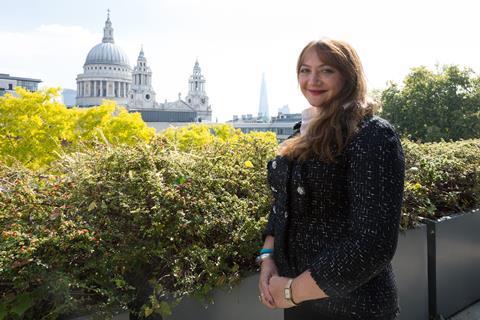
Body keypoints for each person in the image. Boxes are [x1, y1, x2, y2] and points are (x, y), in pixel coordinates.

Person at [257, 39, 405, 320]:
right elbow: (280, 208)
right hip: (299, 305)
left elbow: (372, 244)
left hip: (354, 308)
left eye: (326, 70)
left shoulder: (372, 135)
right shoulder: (300, 134)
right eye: (304, 70)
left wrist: (291, 290)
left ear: (348, 76)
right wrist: (267, 258)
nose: (312, 80)